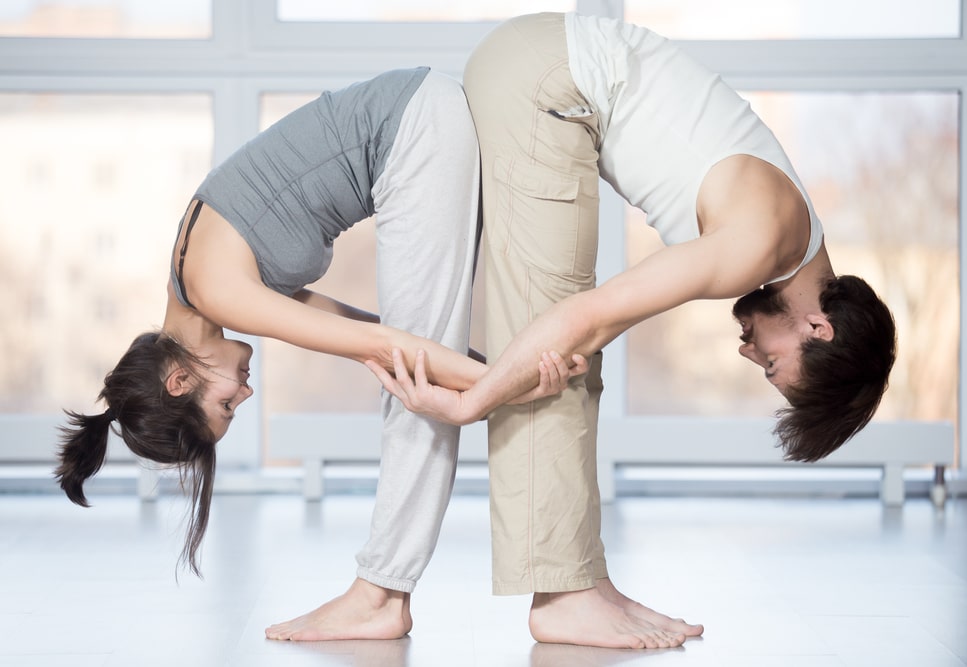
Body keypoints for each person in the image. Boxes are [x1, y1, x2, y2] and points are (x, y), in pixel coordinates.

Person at [368, 13, 896, 650]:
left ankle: (587, 581)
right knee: (553, 351)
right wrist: (466, 404)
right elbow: (579, 320)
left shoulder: (794, 236)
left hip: (546, 73)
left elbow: (592, 330)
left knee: (572, 360)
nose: (747, 350)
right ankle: (563, 598)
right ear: (819, 326)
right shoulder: (755, 247)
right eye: (772, 363)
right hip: (543, 81)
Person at [54, 68, 584, 643]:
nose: (246, 393)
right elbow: (370, 335)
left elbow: (388, 350)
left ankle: (380, 594)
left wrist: (503, 384)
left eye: (228, 405)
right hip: (419, 119)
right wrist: (498, 374)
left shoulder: (219, 289)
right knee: (413, 373)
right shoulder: (208, 280)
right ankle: (387, 591)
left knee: (412, 394)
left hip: (414, 135)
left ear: (180, 380)